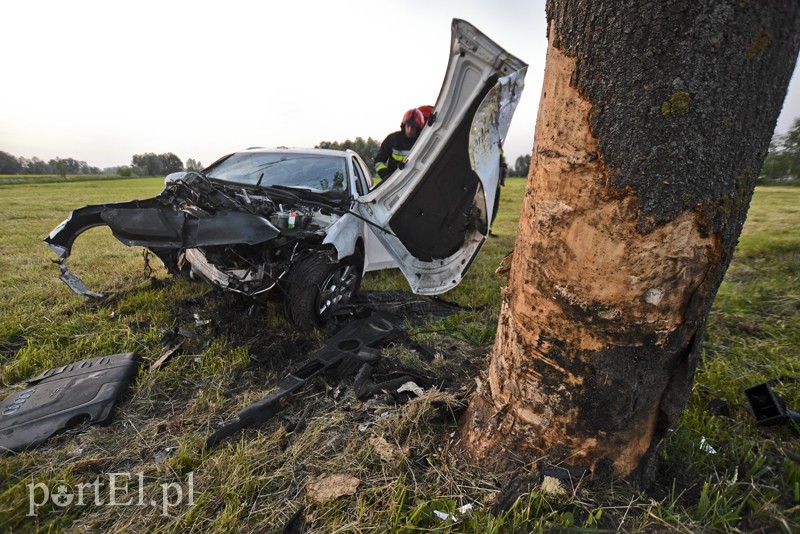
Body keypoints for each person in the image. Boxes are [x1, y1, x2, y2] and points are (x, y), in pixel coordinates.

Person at [374, 108, 426, 180]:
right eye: (408, 125)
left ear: (418, 128)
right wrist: (386, 176)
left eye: (413, 126)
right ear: (403, 125)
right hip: (394, 182)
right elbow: (378, 161)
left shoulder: (422, 141)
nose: (410, 129)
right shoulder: (392, 140)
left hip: (415, 180)